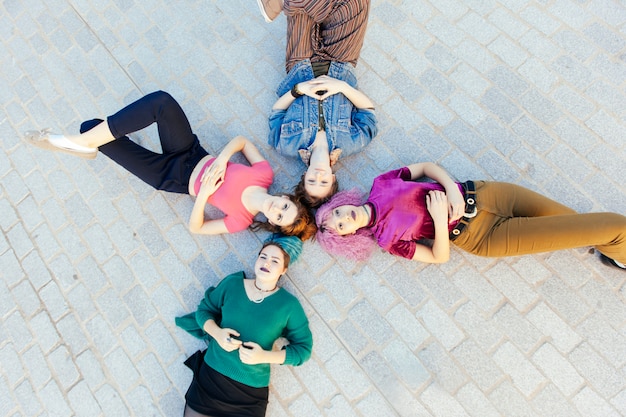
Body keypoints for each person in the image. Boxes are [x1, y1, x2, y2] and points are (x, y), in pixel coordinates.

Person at [23, 90, 316, 240]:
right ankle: (80, 143)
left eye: (280, 218)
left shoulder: (240, 220)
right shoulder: (264, 175)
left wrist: (202, 196)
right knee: (162, 101)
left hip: (171, 178)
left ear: (273, 223)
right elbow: (241, 142)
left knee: (92, 128)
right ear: (286, 198)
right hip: (190, 152)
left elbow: (197, 228)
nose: (278, 211)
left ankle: (81, 142)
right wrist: (223, 159)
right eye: (286, 208)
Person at [314, 162, 626, 270]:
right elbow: (438, 257)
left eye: (337, 212)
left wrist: (449, 188)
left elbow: (424, 168)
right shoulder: (386, 239)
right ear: (349, 236)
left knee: (577, 223)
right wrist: (437, 220)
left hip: (487, 193)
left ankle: (617, 257)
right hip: (483, 236)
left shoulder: (381, 184)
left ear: (342, 202)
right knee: (614, 226)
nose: (345, 217)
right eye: (341, 226)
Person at [175, 233, 313, 417]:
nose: (266, 263)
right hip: (211, 378)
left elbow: (303, 350)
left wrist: (264, 356)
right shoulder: (233, 284)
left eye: (274, 261)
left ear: (283, 270)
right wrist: (217, 333)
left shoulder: (288, 306)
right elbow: (204, 311)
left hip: (248, 393)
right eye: (263, 257)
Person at [267, 0, 378, 207]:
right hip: (340, 62)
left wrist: (299, 90)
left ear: (304, 176)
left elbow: (277, 112)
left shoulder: (286, 145)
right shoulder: (350, 143)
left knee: (303, 12)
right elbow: (368, 111)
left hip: (300, 63)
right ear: (333, 178)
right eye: (324, 181)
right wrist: (342, 87)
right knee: (355, 3)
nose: (318, 175)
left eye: (311, 181)